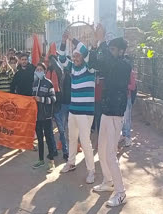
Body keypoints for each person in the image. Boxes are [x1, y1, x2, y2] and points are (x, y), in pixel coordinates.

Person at [89, 30, 131, 206]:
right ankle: (108, 182)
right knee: (103, 151)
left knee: (111, 155)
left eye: (113, 49)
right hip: (106, 112)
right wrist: (94, 45)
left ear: (121, 51)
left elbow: (110, 63)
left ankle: (120, 193)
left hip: (115, 114)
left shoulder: (125, 64)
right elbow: (93, 64)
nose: (111, 52)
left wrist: (103, 42)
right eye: (111, 49)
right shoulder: (111, 62)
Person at [58, 31, 96, 184]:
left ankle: (91, 171)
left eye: (77, 56)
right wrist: (63, 41)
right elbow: (61, 58)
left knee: (85, 141)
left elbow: (85, 51)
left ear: (82, 56)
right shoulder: (73, 68)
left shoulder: (90, 67)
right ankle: (71, 162)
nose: (75, 58)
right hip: (73, 110)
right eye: (73, 56)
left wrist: (72, 39)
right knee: (72, 138)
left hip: (86, 112)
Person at [32, 63, 56, 173]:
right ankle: (41, 160)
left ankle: (51, 162)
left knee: (49, 138)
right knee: (40, 139)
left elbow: (53, 99)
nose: (39, 71)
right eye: (37, 69)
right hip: (37, 116)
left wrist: (40, 99)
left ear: (44, 71)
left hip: (46, 116)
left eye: (41, 69)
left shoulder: (49, 83)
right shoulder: (35, 83)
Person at [46, 55, 69, 161]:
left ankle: (65, 151)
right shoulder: (47, 72)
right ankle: (53, 150)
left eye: (50, 61)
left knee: (61, 130)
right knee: (50, 130)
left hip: (58, 103)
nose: (48, 63)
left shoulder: (59, 72)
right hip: (48, 104)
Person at [120, 56, 137, 147]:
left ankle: (128, 137)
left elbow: (133, 87)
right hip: (120, 98)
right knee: (121, 118)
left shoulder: (131, 73)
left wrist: (124, 85)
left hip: (127, 98)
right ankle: (123, 134)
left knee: (127, 118)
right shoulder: (120, 73)